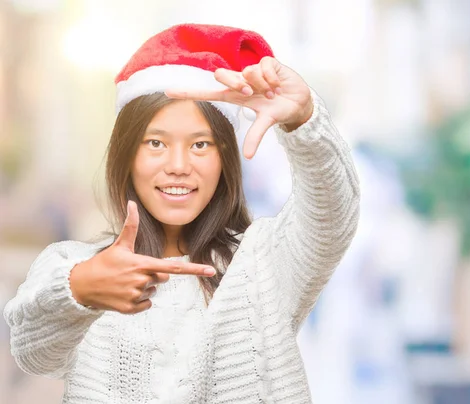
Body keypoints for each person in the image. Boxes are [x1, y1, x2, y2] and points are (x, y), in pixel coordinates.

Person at [3, 23, 360, 403]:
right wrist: (80, 289)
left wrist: (304, 119)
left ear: (225, 159)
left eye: (200, 144)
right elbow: (33, 352)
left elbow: (331, 217)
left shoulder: (262, 263)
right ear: (127, 156)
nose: (178, 165)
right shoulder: (77, 265)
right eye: (156, 143)